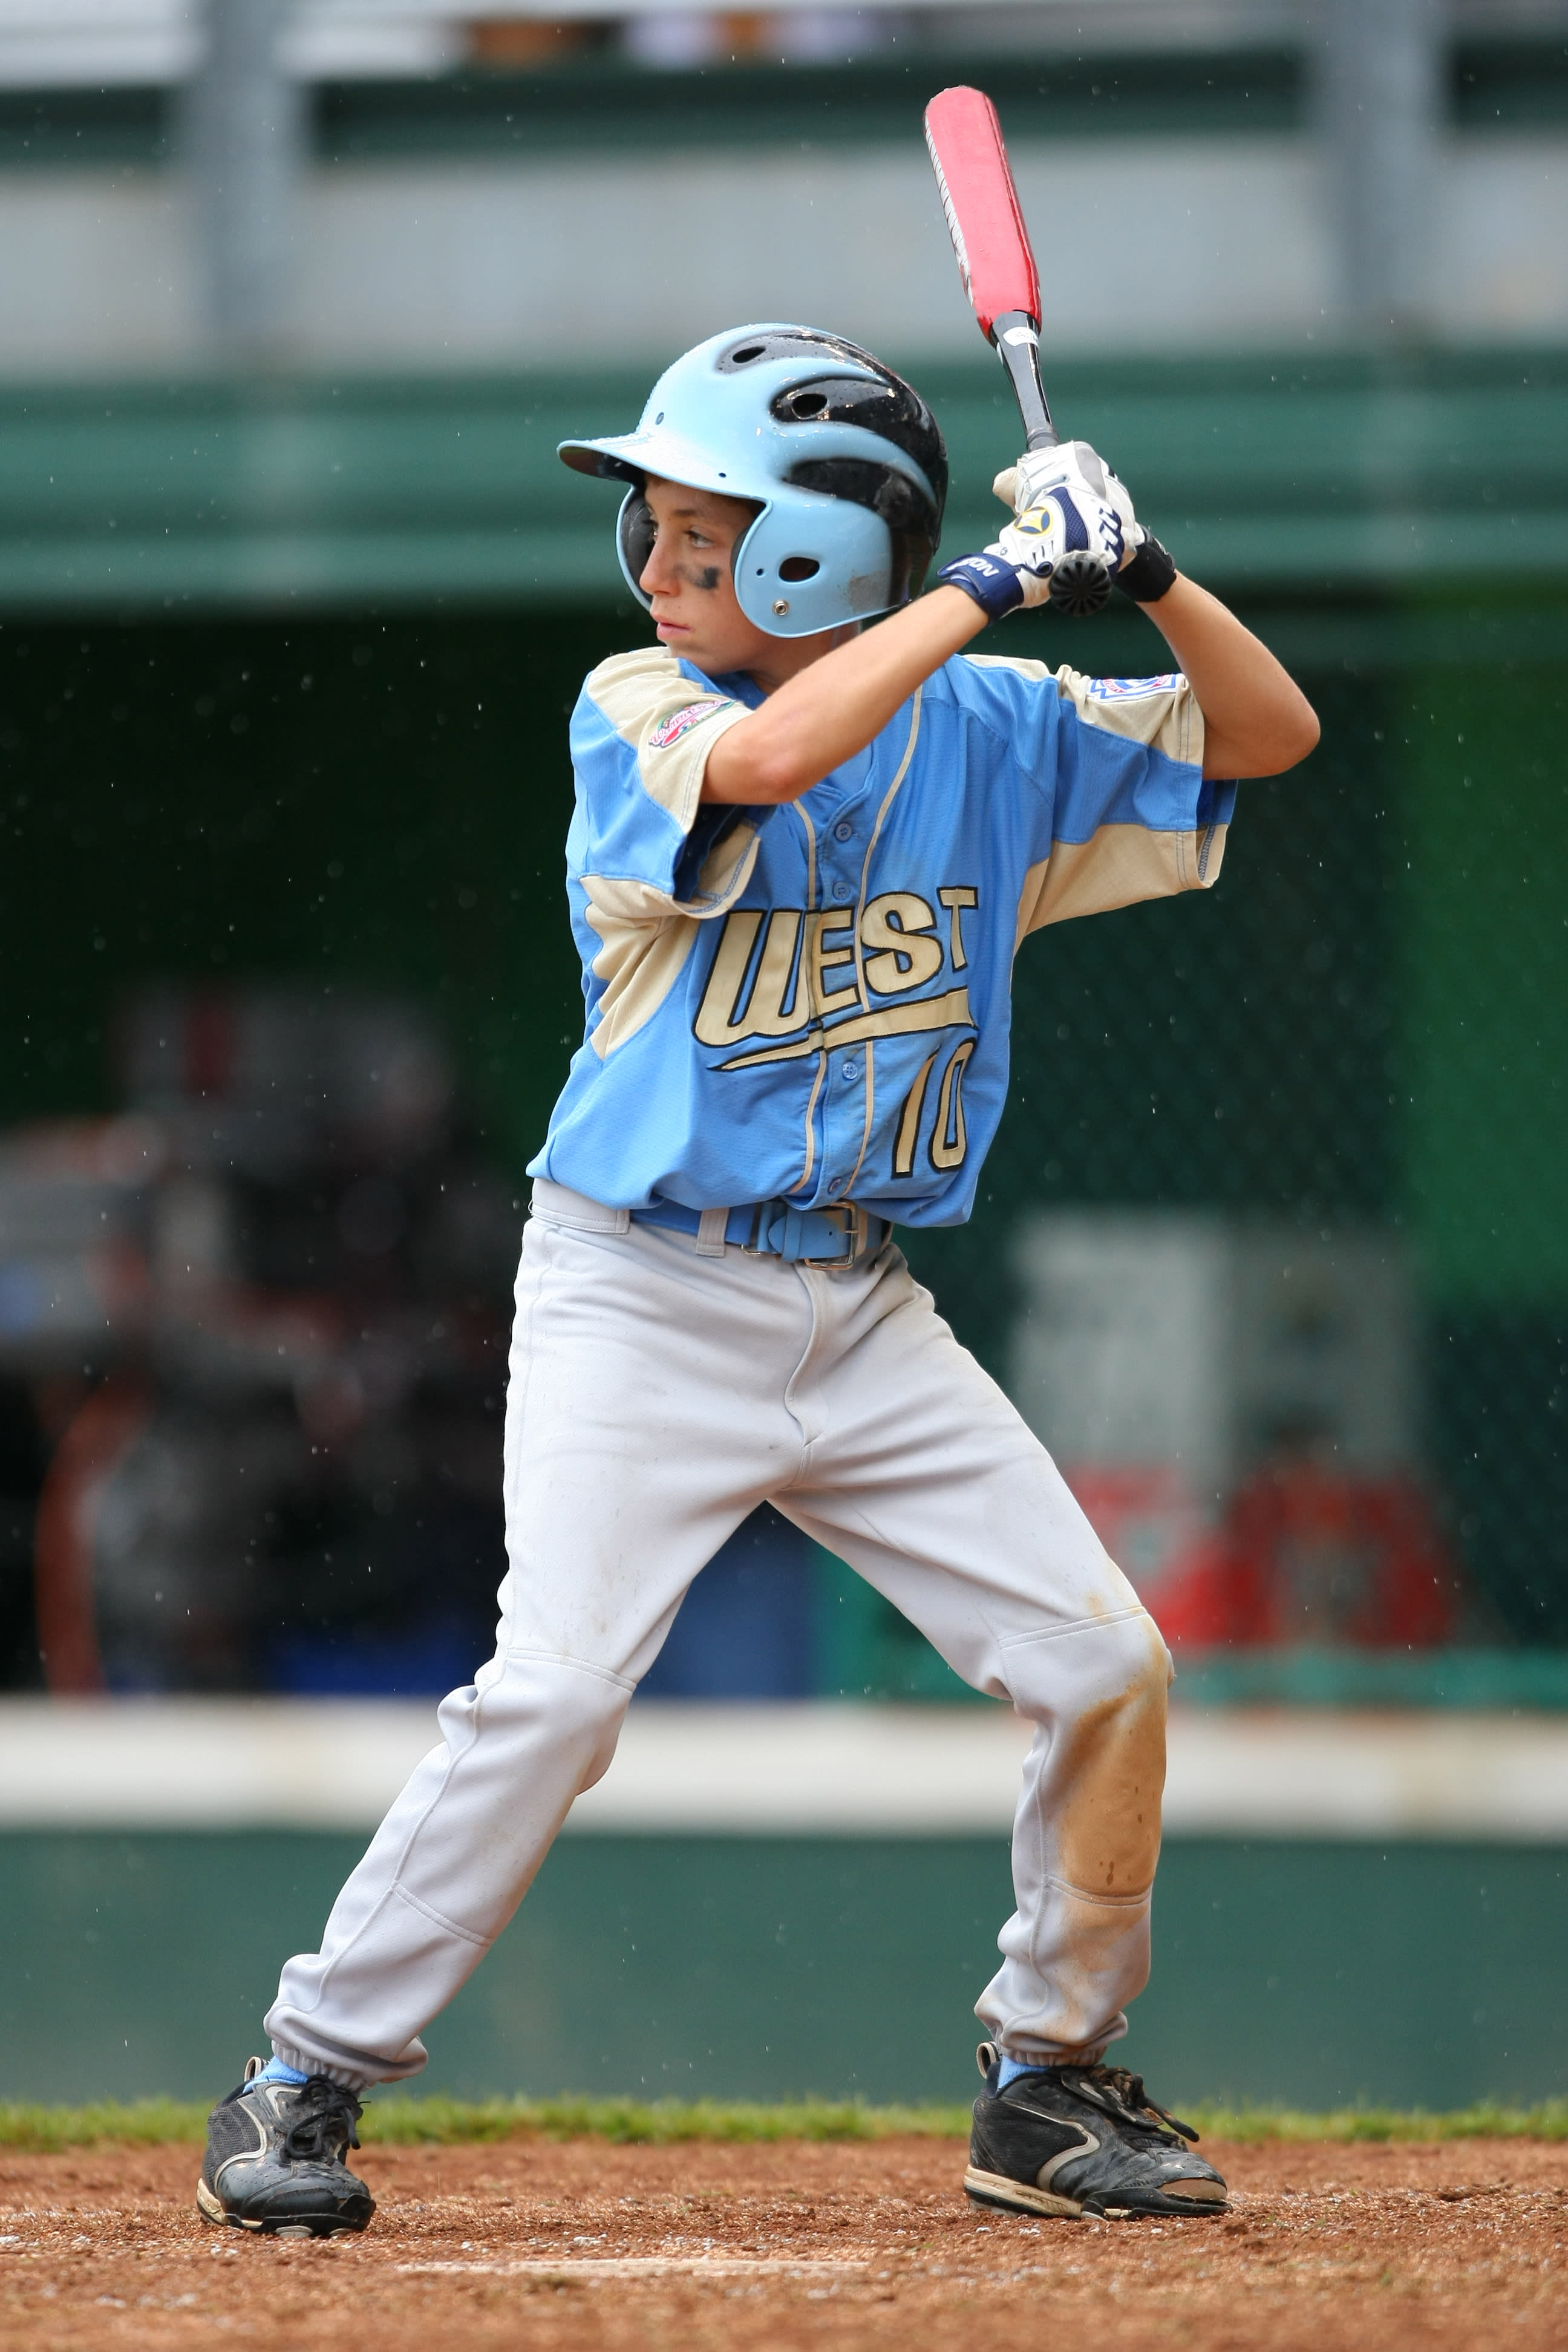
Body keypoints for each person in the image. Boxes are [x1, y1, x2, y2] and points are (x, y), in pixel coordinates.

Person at [197, 323, 1318, 2238]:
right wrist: (985, 584)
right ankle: (303, 2075)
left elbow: (1266, 733)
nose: (658, 561)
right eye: (657, 521)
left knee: (1102, 1665)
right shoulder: (635, 703)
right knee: (552, 1697)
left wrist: (1147, 577)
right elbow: (783, 752)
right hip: (640, 1288)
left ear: (826, 554)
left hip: (861, 1308)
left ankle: (1046, 2081)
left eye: (708, 533)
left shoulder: (1006, 731)